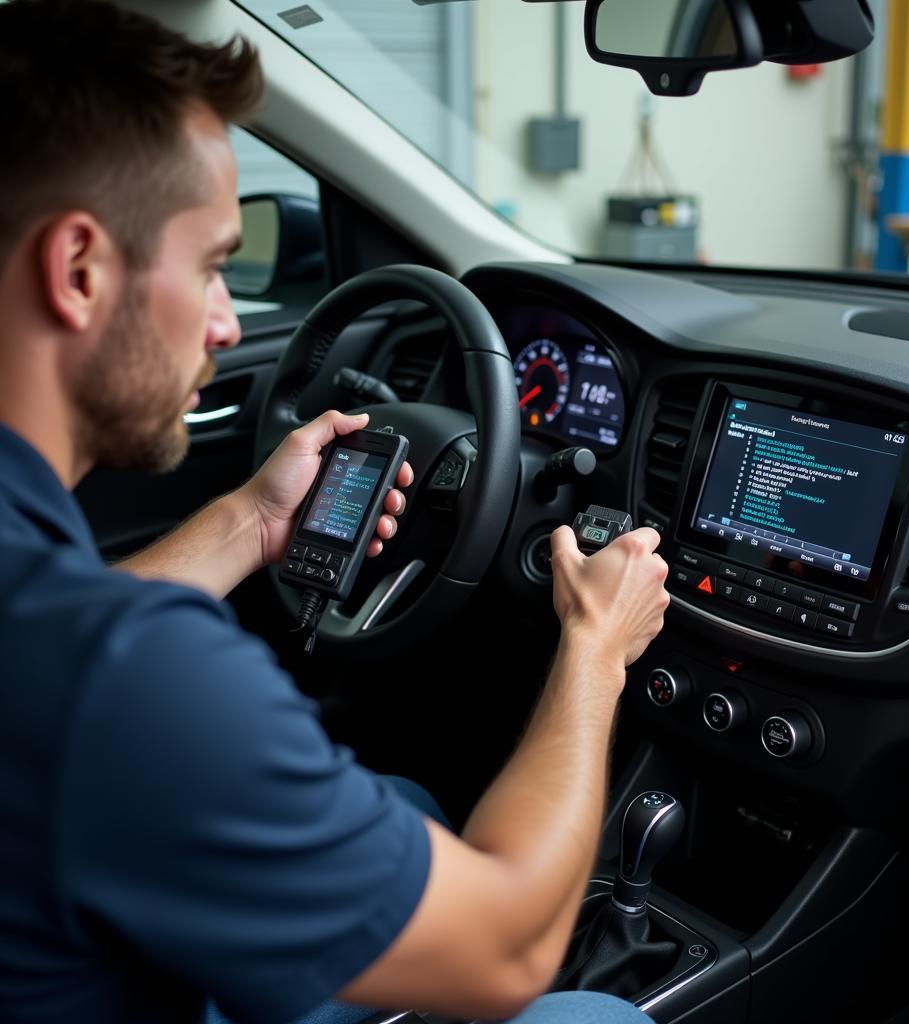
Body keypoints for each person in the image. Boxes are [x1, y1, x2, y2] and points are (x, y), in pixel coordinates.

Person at [0, 2, 671, 1023]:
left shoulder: (51, 609)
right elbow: (508, 948)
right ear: (80, 269)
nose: (228, 321)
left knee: (403, 807)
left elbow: (53, 657)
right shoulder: (132, 676)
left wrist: (246, 521)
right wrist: (595, 647)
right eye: (216, 264)